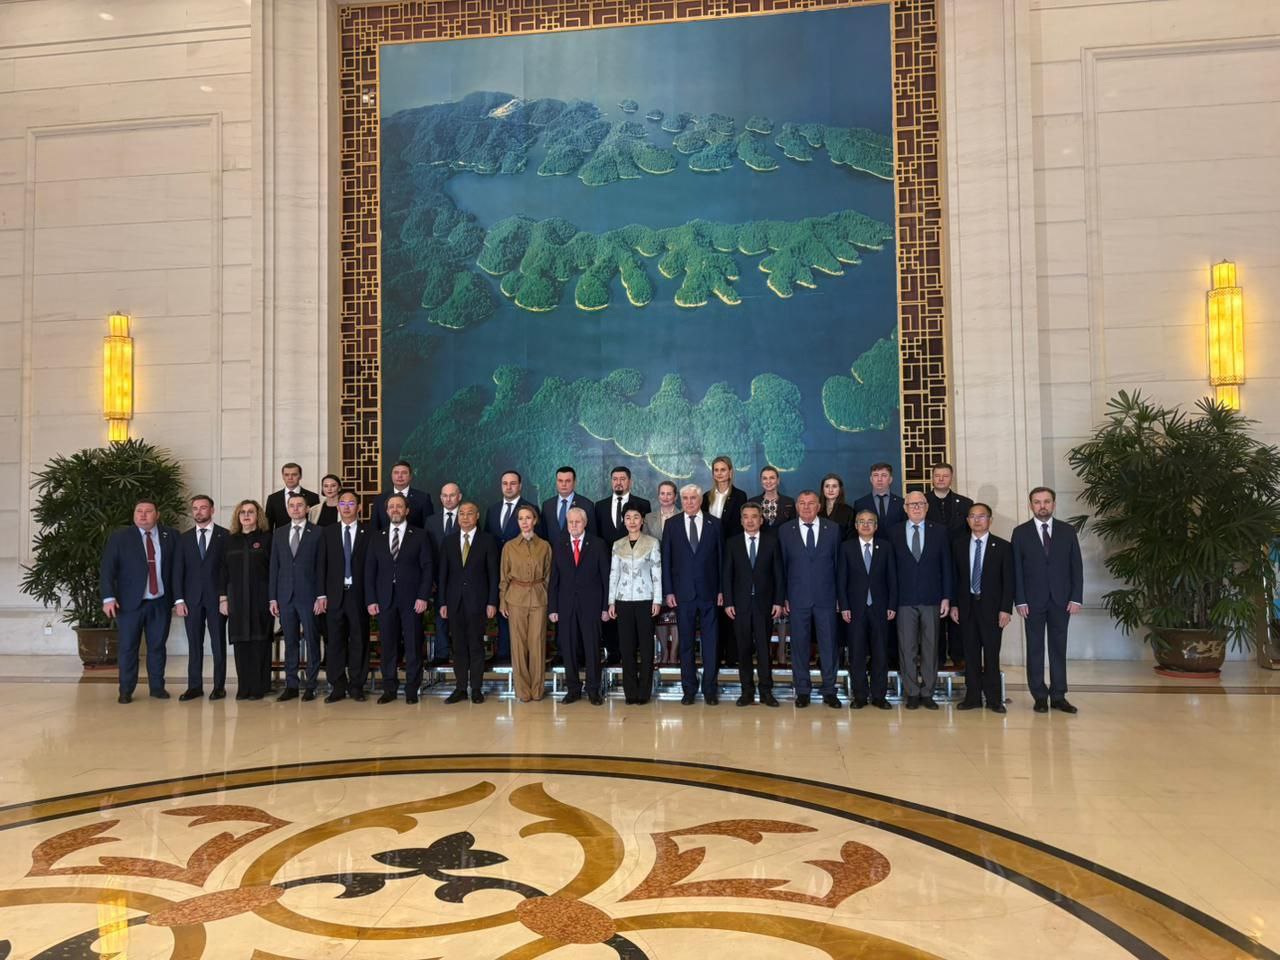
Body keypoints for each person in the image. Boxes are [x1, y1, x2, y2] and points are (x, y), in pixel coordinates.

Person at [1012, 486, 1083, 714]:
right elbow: (1016, 569)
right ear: (1030, 505)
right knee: (1035, 649)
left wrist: (1076, 597)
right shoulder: (1020, 532)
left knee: (1058, 648)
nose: (1042, 506)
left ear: (1054, 504)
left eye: (1046, 501)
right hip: (1032, 601)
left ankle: (1059, 695)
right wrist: (1020, 600)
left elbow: (1076, 566)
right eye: (1037, 502)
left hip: (1062, 600)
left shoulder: (1067, 531)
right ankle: (1040, 696)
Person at [100, 499, 178, 703]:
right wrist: (108, 598)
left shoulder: (171, 536)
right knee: (128, 648)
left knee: (157, 647)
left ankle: (157, 688)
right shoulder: (120, 538)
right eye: (139, 511)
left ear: (157, 515)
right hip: (129, 604)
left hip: (160, 602)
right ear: (134, 515)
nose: (143, 515)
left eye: (148, 511)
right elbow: (107, 568)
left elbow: (178, 569)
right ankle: (126, 690)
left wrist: (178, 599)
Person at [364, 493, 434, 704]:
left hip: (412, 600)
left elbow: (427, 568)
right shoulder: (377, 536)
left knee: (413, 645)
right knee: (388, 645)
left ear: (407, 510)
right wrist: (371, 599)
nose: (395, 509)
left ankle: (412, 688)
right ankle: (389, 688)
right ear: (386, 512)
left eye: (399, 506)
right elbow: (370, 570)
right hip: (385, 599)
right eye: (391, 507)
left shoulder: (420, 535)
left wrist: (423, 596)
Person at [886, 491, 952, 710]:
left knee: (931, 648)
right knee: (907, 647)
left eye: (920, 503)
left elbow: (946, 566)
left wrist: (946, 597)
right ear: (905, 508)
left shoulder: (939, 531)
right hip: (904, 600)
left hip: (932, 598)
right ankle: (912, 692)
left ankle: (928, 692)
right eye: (911, 504)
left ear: (927, 506)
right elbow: (890, 570)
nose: (916, 507)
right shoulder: (894, 532)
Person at [777, 490, 842, 708]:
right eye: (802, 503)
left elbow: (838, 566)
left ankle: (830, 690)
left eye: (811, 503)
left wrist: (839, 597)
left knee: (829, 646)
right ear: (796, 507)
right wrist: (784, 597)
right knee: (799, 646)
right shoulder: (785, 531)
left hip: (826, 597)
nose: (806, 507)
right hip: (797, 598)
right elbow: (781, 567)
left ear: (819, 506)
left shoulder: (833, 529)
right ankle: (803, 690)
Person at [662, 484, 723, 705]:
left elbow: (721, 559)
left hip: (709, 593)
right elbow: (666, 560)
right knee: (686, 643)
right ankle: (688, 689)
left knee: (711, 644)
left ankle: (710, 689)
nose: (689, 502)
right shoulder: (672, 524)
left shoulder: (715, 524)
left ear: (700, 500)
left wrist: (721, 590)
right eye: (685, 498)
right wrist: (668, 591)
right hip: (682, 594)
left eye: (693, 498)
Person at [951, 502, 1013, 713]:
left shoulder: (1003, 546)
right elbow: (955, 578)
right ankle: (973, 697)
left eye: (981, 516)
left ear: (990, 520)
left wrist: (1006, 609)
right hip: (966, 607)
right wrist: (954, 604)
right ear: (967, 520)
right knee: (970, 655)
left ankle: (994, 699)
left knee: (992, 655)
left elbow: (1009, 581)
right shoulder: (958, 545)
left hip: (993, 610)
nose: (976, 520)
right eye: (972, 516)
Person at [721, 503, 784, 707]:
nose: (750, 520)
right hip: (740, 605)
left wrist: (778, 601)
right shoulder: (732, 543)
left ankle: (766, 691)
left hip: (764, 605)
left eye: (754, 516)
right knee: (744, 649)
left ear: (761, 520)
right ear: (741, 521)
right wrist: (728, 602)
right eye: (746, 517)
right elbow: (727, 575)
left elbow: (778, 575)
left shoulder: (771, 542)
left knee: (764, 650)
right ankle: (746, 691)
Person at [437, 502, 499, 704]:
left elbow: (493, 574)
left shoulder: (487, 540)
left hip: (478, 602)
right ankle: (460, 688)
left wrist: (492, 602)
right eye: (461, 514)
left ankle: (477, 688)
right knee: (458, 647)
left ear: (477, 516)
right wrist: (442, 603)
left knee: (476, 646)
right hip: (454, 602)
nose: (465, 517)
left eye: (469, 513)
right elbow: (443, 575)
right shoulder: (448, 541)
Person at [548, 507, 611, 705]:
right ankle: (573, 689)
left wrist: (605, 606)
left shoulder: (598, 544)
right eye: (570, 522)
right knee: (568, 649)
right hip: (566, 605)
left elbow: (606, 578)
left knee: (592, 649)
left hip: (592, 606)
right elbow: (554, 579)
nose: (573, 525)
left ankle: (593, 690)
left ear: (585, 523)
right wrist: (553, 608)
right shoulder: (559, 544)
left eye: (577, 522)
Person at [315, 488, 371, 702]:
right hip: (334, 596)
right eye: (343, 503)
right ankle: (337, 686)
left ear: (359, 507)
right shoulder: (327, 532)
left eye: (351, 503)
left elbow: (372, 568)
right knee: (335, 642)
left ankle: (357, 686)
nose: (347, 507)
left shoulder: (369, 533)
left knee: (359, 640)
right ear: (338, 507)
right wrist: (321, 595)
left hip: (358, 595)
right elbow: (321, 565)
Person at [838, 510, 896, 709]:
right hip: (855, 609)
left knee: (880, 653)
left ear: (876, 526)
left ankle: (879, 696)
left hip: (880, 608)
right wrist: (844, 605)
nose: (865, 525)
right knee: (857, 653)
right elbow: (841, 580)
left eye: (870, 522)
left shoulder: (886, 547)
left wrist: (892, 604)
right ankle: (860, 696)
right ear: (855, 526)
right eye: (861, 521)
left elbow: (892, 578)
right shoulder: (846, 548)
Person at [172, 494, 228, 701]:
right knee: (194, 645)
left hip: (217, 600)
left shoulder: (225, 535)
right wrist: (179, 600)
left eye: (203, 508)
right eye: (195, 508)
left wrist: (225, 597)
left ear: (212, 510)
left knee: (218, 644)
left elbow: (228, 570)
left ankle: (219, 686)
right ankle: (194, 687)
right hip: (191, 600)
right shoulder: (184, 538)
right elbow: (178, 571)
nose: (199, 511)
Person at [219, 500, 273, 700]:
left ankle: (259, 687)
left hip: (261, 598)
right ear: (238, 516)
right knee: (241, 643)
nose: (246, 515)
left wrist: (273, 598)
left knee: (260, 642)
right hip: (237, 600)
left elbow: (274, 570)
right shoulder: (229, 540)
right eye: (242, 512)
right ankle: (244, 687)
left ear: (258, 516)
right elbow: (222, 571)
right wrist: (223, 599)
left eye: (251, 512)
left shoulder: (268, 539)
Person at [608, 504, 662, 704]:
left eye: (636, 517)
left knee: (646, 648)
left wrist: (657, 599)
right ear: (624, 521)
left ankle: (644, 692)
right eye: (628, 517)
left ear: (642, 521)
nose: (632, 521)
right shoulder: (617, 544)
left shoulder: (652, 543)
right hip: (623, 601)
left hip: (645, 600)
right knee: (626, 647)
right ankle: (630, 692)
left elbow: (657, 573)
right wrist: (611, 602)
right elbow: (614, 574)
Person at [499, 505, 551, 702]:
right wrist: (502, 601)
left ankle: (537, 690)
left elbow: (549, 575)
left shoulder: (545, 546)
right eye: (521, 518)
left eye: (528, 518)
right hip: (515, 598)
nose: (525, 522)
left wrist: (548, 598)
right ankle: (522, 690)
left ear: (535, 520)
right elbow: (504, 577)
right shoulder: (509, 547)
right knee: (518, 645)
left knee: (537, 644)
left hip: (538, 597)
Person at [486, 470, 538, 664]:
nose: (508, 487)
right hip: (498, 569)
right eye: (505, 483)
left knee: (521, 616)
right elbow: (487, 538)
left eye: (513, 483)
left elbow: (537, 541)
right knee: (503, 609)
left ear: (520, 486)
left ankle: (521, 656)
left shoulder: (530, 509)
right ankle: (503, 653)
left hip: (521, 574)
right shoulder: (492, 509)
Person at [926, 462, 974, 669]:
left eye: (945, 476)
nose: (941, 479)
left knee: (957, 609)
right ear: (932, 477)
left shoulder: (965, 503)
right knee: (935, 613)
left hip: (958, 564)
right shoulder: (922, 501)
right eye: (937, 475)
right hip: (931, 565)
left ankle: (957, 654)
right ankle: (936, 656)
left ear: (951, 478)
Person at [423, 482, 463, 666]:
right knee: (441, 616)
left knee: (459, 616)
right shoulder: (431, 521)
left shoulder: (467, 517)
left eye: (452, 495)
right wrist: (430, 578)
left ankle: (460, 652)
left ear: (459, 497)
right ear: (440, 498)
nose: (448, 499)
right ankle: (442, 653)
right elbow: (427, 552)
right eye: (445, 495)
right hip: (439, 577)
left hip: (461, 577)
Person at [372, 459, 434, 530]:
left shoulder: (423, 498)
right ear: (391, 476)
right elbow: (374, 528)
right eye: (396, 473)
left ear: (410, 476)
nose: (400, 476)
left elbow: (429, 527)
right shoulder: (380, 499)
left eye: (404, 473)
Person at [596, 466, 652, 544]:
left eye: (622, 479)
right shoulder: (600, 506)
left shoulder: (643, 504)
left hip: (634, 550)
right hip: (605, 551)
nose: (618, 482)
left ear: (630, 482)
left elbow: (646, 533)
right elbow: (597, 534)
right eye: (615, 479)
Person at [702, 455, 748, 546]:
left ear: (730, 472)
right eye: (716, 470)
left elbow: (739, 525)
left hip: (731, 544)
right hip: (710, 544)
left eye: (723, 470)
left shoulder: (740, 496)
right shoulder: (706, 496)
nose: (719, 473)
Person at [852, 462, 906, 539]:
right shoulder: (860, 504)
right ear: (871, 479)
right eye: (876, 475)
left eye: (884, 475)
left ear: (890, 479)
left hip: (895, 545)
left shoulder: (901, 503)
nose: (879, 479)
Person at [540, 465, 595, 540]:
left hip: (577, 547)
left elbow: (592, 535)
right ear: (556, 482)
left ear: (574, 482)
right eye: (560, 481)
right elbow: (544, 534)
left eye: (568, 481)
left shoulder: (587, 505)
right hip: (552, 547)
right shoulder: (547, 505)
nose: (563, 484)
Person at [265, 462, 319, 529]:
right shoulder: (273, 498)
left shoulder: (313, 497)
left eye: (294, 474)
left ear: (300, 476)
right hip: (281, 535)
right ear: (283, 477)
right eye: (286, 475)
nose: (290, 478)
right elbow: (268, 526)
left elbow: (315, 523)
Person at [819, 473, 856, 540]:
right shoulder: (816, 509)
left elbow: (851, 537)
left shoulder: (849, 511)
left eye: (834, 486)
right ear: (823, 489)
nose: (830, 490)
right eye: (827, 486)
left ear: (840, 489)